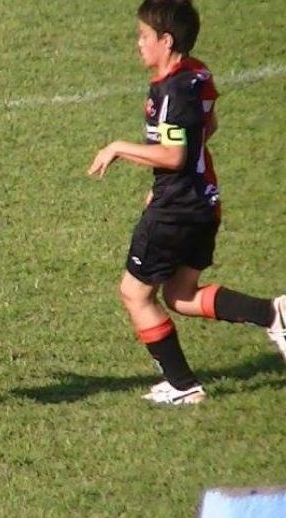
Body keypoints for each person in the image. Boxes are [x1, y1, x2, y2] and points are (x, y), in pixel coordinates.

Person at [88, 0, 285, 405]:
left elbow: (175, 154)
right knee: (180, 294)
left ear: (166, 39)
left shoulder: (171, 90)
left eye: (144, 36)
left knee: (135, 293)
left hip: (175, 212)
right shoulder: (196, 73)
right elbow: (206, 127)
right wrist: (163, 179)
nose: (138, 44)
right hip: (202, 202)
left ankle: (182, 386)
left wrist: (119, 148)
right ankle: (274, 315)